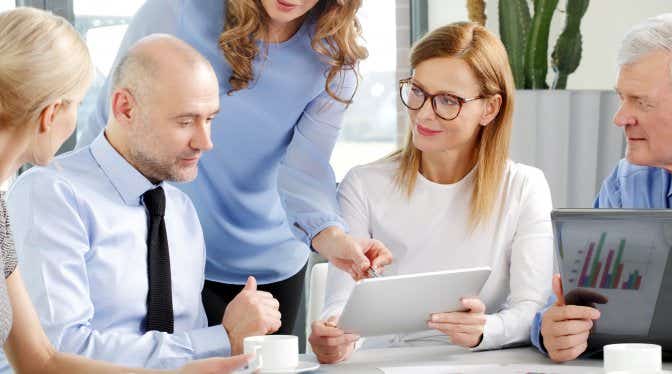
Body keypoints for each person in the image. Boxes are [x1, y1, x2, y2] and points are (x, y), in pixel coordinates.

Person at [77, 0, 392, 333]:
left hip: (269, 263)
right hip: (161, 247)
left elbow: (306, 166)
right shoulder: (176, 11)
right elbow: (110, 123)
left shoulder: (334, 57)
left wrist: (332, 238)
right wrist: (76, 214)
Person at [5, 33, 280, 369]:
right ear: (125, 108)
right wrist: (220, 339)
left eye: (209, 119)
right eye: (185, 121)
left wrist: (234, 340)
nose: (205, 142)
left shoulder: (181, 212)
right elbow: (57, 351)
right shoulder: (52, 193)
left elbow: (188, 345)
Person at [307, 21, 554, 364]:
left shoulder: (524, 187)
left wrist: (487, 329)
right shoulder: (364, 185)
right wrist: (335, 335)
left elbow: (533, 307)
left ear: (490, 108)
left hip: (480, 364)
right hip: (385, 364)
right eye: (418, 91)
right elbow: (341, 302)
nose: (423, 113)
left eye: (448, 101)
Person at [531, 13, 672, 362]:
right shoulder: (626, 182)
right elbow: (570, 297)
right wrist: (551, 329)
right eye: (622, 98)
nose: (620, 117)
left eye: (641, 102)